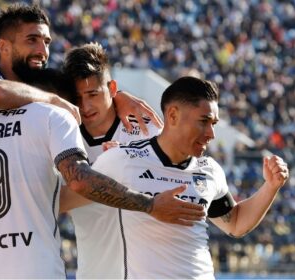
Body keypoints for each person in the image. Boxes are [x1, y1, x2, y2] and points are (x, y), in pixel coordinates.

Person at [0, 3, 164, 279]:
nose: (42, 50)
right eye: (32, 40)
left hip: (22, 257)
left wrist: (117, 98)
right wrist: (55, 102)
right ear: (2, 46)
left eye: (47, 41)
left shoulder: (43, 108)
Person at [0, 87, 204, 277]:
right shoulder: (52, 118)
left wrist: (117, 98)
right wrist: (150, 204)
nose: (85, 105)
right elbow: (79, 184)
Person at [89, 76, 289, 279]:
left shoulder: (209, 169)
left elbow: (235, 223)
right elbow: (72, 194)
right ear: (173, 115)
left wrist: (270, 186)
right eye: (204, 121)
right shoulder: (121, 159)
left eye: (214, 123)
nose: (211, 133)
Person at [60, 42, 205, 279]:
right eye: (77, 97)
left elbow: (180, 183)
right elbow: (56, 202)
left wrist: (131, 164)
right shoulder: (64, 138)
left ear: (112, 87)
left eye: (93, 94)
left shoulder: (147, 127)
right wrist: (109, 169)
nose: (85, 106)